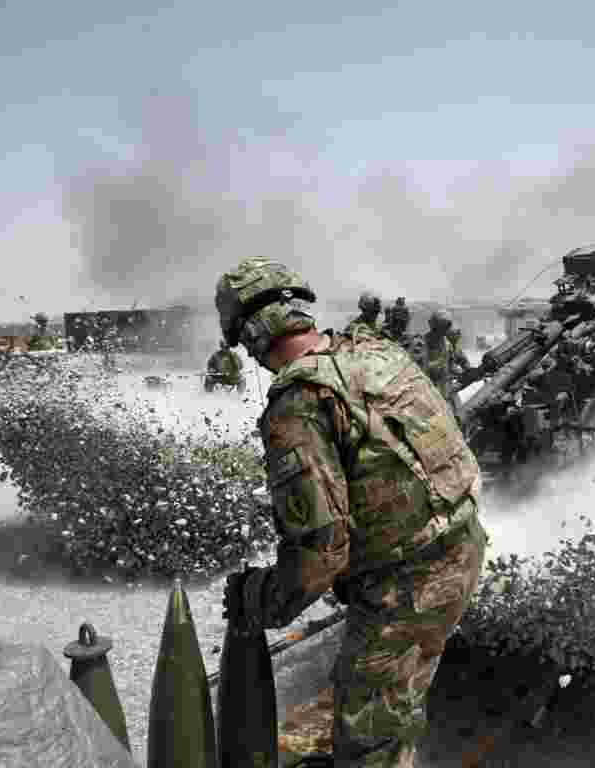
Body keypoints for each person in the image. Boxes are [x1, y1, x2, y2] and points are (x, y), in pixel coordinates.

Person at [215, 258, 487, 768]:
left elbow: (321, 553)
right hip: (462, 548)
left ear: (253, 331)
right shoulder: (378, 350)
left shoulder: (297, 402)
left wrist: (262, 600)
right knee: (391, 696)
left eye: (244, 341)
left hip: (408, 586)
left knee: (368, 738)